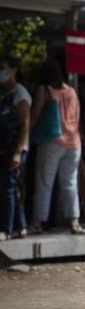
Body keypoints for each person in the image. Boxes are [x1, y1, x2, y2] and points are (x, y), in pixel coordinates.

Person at [29, 61, 83, 234]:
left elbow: (35, 115)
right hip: (74, 143)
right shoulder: (72, 91)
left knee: (45, 183)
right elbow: (77, 117)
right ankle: (74, 221)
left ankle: (37, 222)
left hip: (52, 141)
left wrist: (24, 134)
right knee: (70, 182)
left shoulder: (45, 90)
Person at [0, 53, 31, 240]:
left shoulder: (20, 93)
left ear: (14, 70)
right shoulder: (6, 94)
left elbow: (25, 123)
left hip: (15, 147)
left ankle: (7, 229)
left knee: (8, 188)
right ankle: (21, 226)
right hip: (5, 146)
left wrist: (18, 152)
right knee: (9, 187)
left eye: (3, 68)